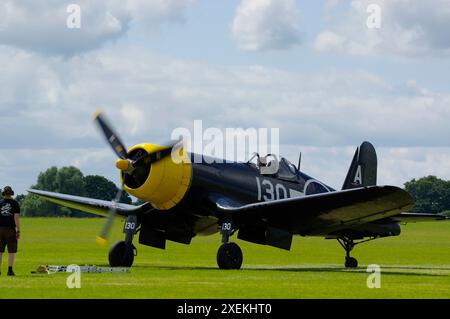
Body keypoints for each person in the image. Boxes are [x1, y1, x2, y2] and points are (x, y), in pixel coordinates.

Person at [0, 186, 21, 276]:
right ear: (11, 193)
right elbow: (16, 218)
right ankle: (10, 270)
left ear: (4, 193)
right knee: (11, 251)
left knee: (0, 251)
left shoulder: (0, 203)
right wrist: (18, 230)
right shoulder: (15, 203)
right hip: (10, 230)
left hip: (0, 229)